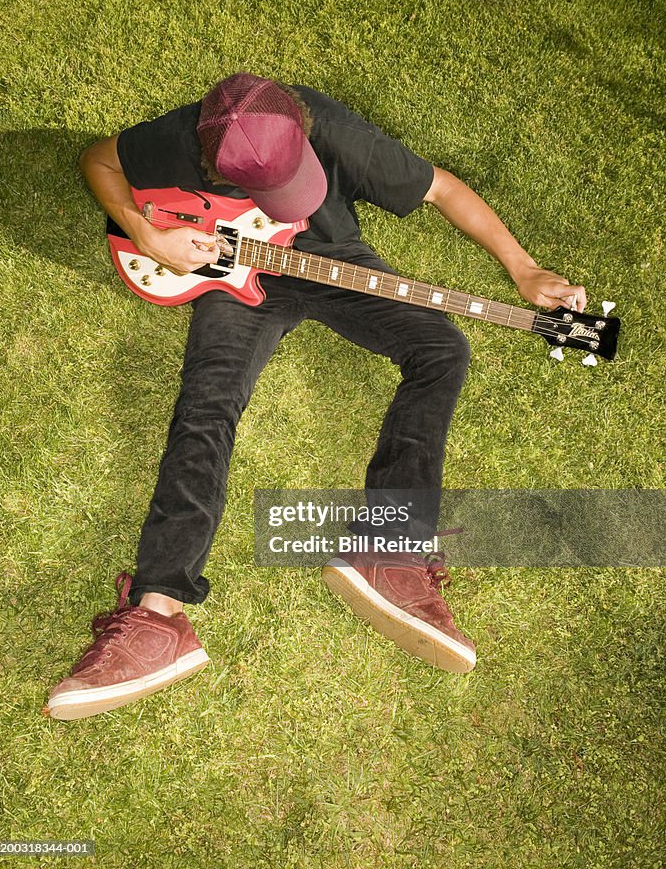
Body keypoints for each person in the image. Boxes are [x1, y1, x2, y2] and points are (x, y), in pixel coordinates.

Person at [42, 74, 586, 720]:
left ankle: (390, 548)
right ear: (208, 157)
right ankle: (158, 616)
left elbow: (440, 188)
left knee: (441, 349)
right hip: (229, 281)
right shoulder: (189, 133)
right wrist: (145, 229)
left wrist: (521, 268)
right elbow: (98, 159)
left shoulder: (334, 131)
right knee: (205, 408)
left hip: (329, 261)